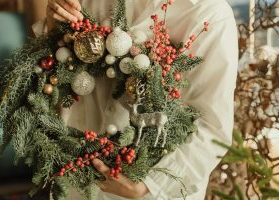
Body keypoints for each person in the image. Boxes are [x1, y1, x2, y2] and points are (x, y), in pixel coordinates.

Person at [33, 0, 238, 199]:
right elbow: (50, 75)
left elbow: (212, 126)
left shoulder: (211, 14)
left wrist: (150, 184)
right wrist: (53, 28)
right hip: (78, 180)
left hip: (153, 191)